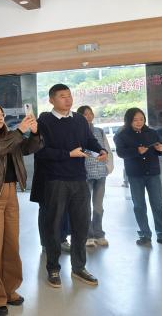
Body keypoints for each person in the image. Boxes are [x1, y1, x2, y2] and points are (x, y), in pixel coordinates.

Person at [0, 104, 43, 316]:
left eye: (2, 114)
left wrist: (35, 133)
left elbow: (28, 148)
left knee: (11, 244)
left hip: (11, 192)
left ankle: (9, 290)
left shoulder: (9, 135)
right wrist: (19, 131)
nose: (0, 117)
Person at [36, 84, 107, 288]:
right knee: (54, 226)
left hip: (79, 179)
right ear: (51, 100)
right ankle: (53, 268)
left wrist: (100, 150)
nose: (68, 100)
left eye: (69, 95)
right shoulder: (44, 121)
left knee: (81, 225)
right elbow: (41, 152)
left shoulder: (79, 119)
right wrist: (68, 154)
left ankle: (79, 267)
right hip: (55, 180)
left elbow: (89, 140)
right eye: (62, 96)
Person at [114, 108, 162, 248]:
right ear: (129, 120)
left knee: (158, 205)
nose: (139, 122)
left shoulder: (152, 133)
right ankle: (144, 234)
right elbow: (121, 153)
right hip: (135, 174)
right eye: (135, 120)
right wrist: (136, 151)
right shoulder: (122, 135)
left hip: (153, 173)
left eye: (141, 119)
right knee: (139, 206)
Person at [76, 105, 114, 247]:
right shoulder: (76, 131)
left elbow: (107, 150)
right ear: (79, 117)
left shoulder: (100, 131)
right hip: (84, 174)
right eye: (85, 114)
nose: (89, 116)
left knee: (98, 206)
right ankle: (87, 235)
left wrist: (108, 167)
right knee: (85, 207)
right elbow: (78, 151)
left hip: (101, 173)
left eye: (90, 113)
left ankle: (99, 233)